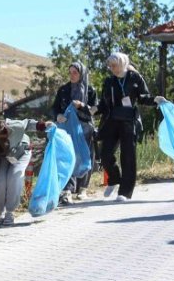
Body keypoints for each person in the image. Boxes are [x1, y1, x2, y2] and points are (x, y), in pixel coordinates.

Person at [96, 52, 165, 201]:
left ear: (122, 63)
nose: (111, 68)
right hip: (112, 121)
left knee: (128, 157)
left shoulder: (135, 78)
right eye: (110, 66)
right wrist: (93, 109)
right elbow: (103, 103)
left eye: (114, 65)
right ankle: (114, 180)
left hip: (129, 122)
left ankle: (124, 193)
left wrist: (155, 100)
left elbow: (143, 97)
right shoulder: (109, 81)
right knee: (105, 154)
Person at [51, 62, 97, 203]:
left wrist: (82, 106)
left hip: (84, 128)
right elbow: (55, 107)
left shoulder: (90, 90)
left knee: (84, 156)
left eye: (75, 72)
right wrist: (57, 115)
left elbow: (95, 110)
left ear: (81, 73)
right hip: (67, 128)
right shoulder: (64, 90)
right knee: (68, 155)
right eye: (70, 72)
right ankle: (67, 189)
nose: (72, 75)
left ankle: (82, 188)